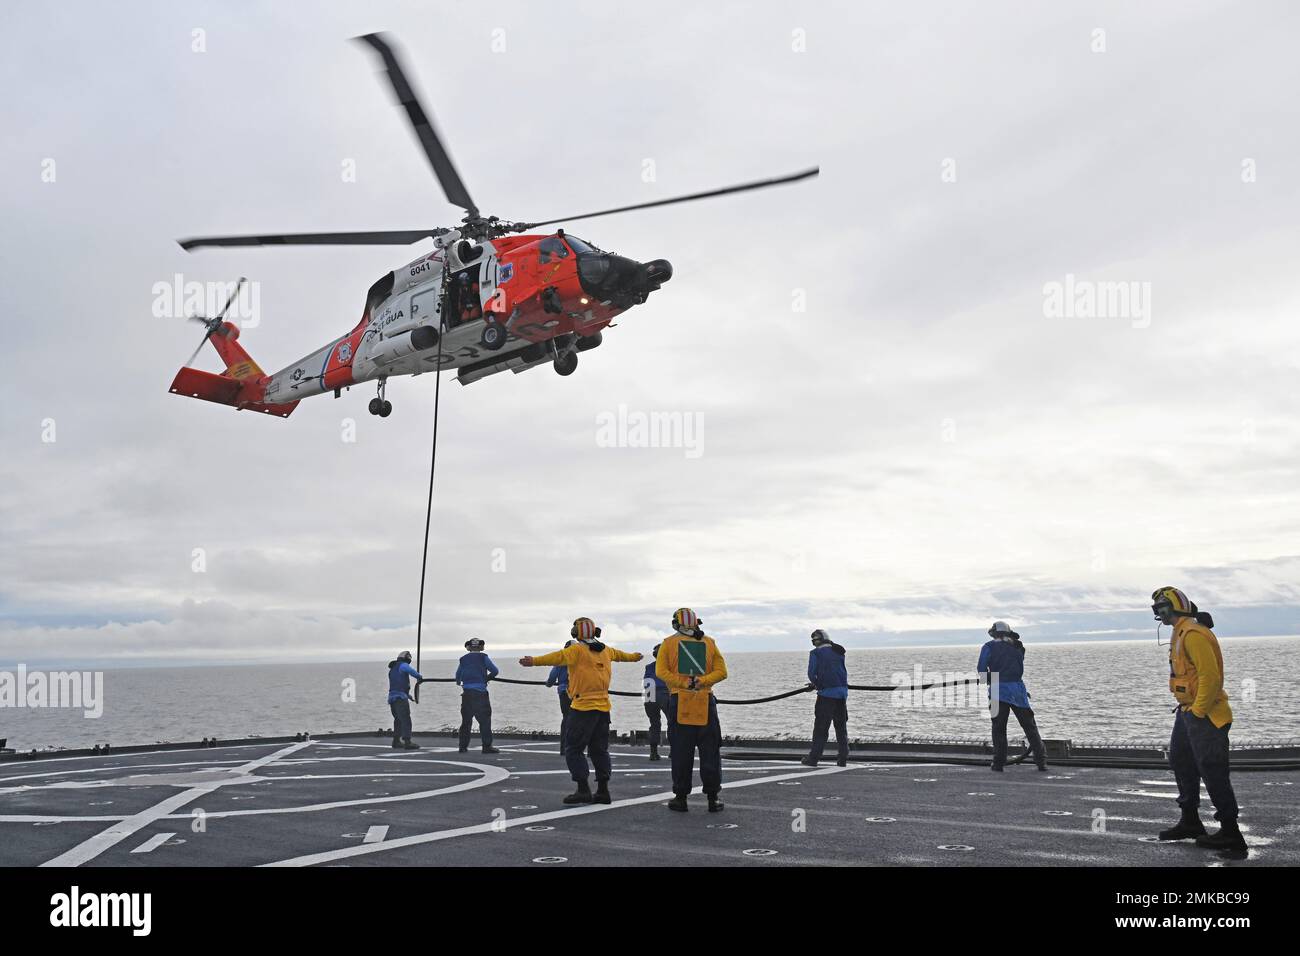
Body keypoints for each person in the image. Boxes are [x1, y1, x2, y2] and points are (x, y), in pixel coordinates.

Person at [1152, 587, 1246, 857]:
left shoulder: (1193, 634)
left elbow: (1210, 677)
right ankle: (1191, 821)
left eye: (1161, 607)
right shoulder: (1180, 631)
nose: (1158, 612)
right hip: (1187, 711)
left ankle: (1231, 832)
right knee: (1181, 761)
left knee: (1213, 770)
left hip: (1204, 714)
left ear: (1174, 607)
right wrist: (1189, 712)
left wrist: (1198, 711)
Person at [519, 617, 643, 805]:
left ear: (575, 634)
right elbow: (623, 656)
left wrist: (533, 661)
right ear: (595, 632)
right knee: (599, 750)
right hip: (603, 708)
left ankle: (583, 789)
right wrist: (635, 656)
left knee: (573, 749)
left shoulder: (576, 650)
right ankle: (603, 791)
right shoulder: (606, 651)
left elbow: (556, 657)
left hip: (582, 707)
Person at [657, 608, 728, 812]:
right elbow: (722, 672)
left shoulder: (668, 643)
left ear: (675, 624)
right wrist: (702, 682)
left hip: (680, 701)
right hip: (705, 700)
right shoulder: (709, 642)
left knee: (681, 752)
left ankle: (680, 798)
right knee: (710, 752)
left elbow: (661, 671)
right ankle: (713, 798)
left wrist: (684, 683)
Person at [977, 622, 1046, 772]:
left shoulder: (988, 647)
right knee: (1030, 727)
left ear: (993, 633)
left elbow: (981, 671)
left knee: (999, 728)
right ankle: (1041, 761)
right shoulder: (1018, 647)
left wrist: (988, 678)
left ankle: (998, 763)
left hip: (997, 691)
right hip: (1018, 691)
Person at [801, 629, 849, 767]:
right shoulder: (839, 651)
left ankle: (814, 758)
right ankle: (843, 758)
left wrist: (816, 684)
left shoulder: (815, 653)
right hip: (842, 693)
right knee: (841, 727)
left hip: (826, 694)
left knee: (821, 728)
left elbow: (811, 673)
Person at [455, 638, 500, 754]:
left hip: (467, 694)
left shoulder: (463, 659)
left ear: (468, 647)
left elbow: (457, 676)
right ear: (480, 647)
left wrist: (460, 682)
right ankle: (486, 746)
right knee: (484, 721)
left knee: (466, 722)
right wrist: (487, 678)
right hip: (480, 694)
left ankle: (463, 746)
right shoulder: (483, 657)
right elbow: (495, 671)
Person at [386, 650, 423, 750]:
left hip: (392, 697)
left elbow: (397, 684)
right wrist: (420, 677)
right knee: (406, 719)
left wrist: (408, 695)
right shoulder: (403, 665)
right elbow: (412, 672)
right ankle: (407, 741)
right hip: (400, 698)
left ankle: (396, 741)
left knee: (398, 719)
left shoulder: (393, 668)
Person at [545, 640, 576, 756]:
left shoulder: (560, 661)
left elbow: (552, 677)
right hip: (577, 693)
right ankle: (577, 747)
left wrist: (548, 684)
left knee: (566, 719)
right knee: (580, 720)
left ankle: (564, 748)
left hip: (564, 692)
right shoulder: (579, 660)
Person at [643, 643, 673, 761]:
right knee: (672, 723)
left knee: (654, 724)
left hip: (649, 695)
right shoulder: (670, 667)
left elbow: (647, 682)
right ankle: (673, 751)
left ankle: (653, 752)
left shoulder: (649, 667)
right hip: (664, 693)